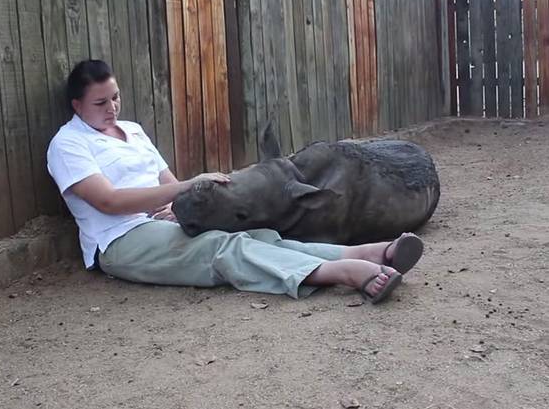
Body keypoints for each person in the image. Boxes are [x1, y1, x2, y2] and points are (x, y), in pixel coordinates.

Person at [47, 60, 424, 304]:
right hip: (120, 241)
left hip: (161, 221)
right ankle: (339, 273)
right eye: (100, 103)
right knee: (220, 249)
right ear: (77, 106)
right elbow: (108, 201)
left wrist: (177, 209)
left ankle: (360, 253)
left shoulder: (131, 130)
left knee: (256, 236)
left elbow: (167, 180)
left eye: (115, 98)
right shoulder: (68, 144)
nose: (112, 108)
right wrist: (185, 188)